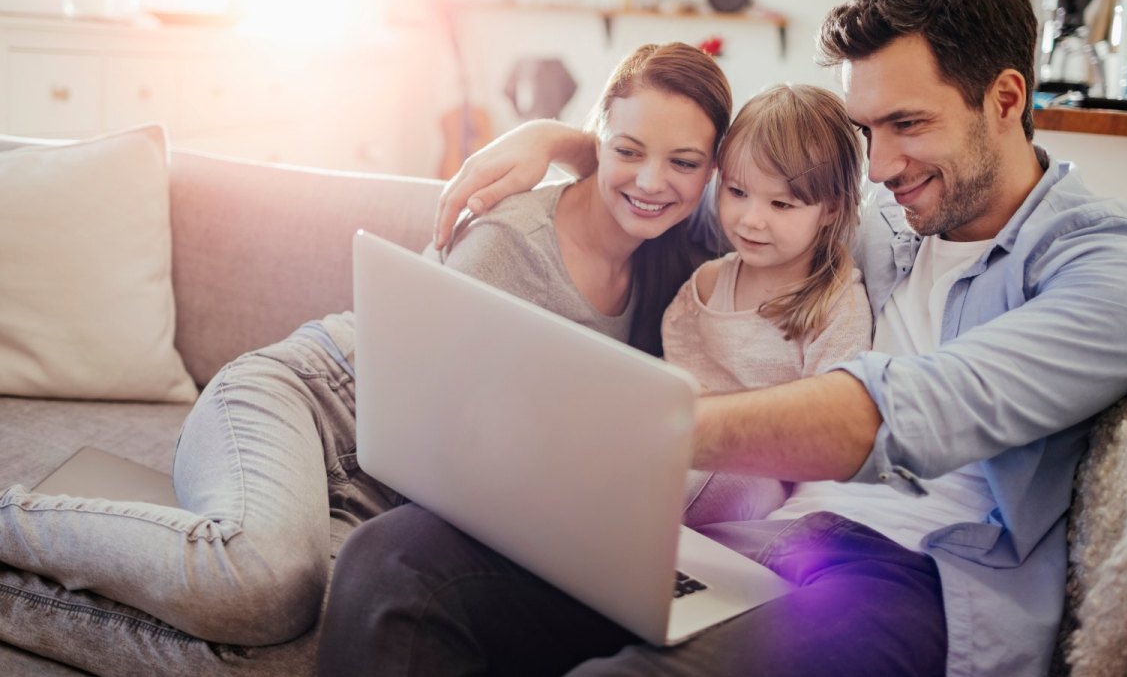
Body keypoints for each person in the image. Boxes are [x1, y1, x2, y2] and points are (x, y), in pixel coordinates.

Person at [315, 0, 1127, 677]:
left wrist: (628, 432)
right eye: (865, 131)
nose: (881, 164)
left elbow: (905, 408)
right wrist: (563, 139)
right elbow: (685, 188)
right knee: (395, 562)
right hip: (755, 540)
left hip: (915, 581)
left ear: (1005, 100)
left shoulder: (1118, 269)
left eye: (907, 125)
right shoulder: (873, 216)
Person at [0, 42, 732, 671]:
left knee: (310, 651)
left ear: (710, 174)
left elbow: (770, 189)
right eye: (626, 150)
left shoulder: (678, 264)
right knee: (266, 583)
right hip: (317, 402)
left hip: (392, 489)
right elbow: (432, 424)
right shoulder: (511, 240)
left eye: (683, 162)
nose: (649, 180)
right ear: (598, 136)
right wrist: (556, 137)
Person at [672, 83, 872, 527]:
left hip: (762, 485)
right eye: (737, 192)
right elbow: (674, 386)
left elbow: (830, 429)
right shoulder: (707, 285)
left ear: (831, 209)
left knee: (742, 486)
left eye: (781, 203)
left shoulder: (837, 307)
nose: (750, 219)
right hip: (679, 460)